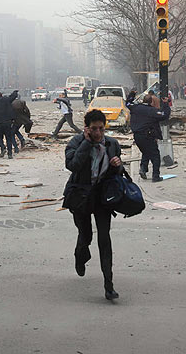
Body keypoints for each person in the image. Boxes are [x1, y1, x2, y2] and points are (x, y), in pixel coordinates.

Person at [63, 109, 123, 300]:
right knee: (86, 235)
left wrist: (118, 165)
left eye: (101, 129)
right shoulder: (76, 142)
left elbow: (117, 175)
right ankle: (80, 255)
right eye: (94, 129)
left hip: (102, 198)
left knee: (104, 239)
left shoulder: (112, 144)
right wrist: (87, 143)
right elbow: (72, 165)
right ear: (87, 129)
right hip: (80, 196)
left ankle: (109, 286)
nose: (98, 133)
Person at [126, 90, 170, 182]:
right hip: (148, 136)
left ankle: (143, 169)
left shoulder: (135, 108)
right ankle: (156, 176)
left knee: (146, 152)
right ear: (151, 102)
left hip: (137, 137)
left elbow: (128, 103)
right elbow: (164, 115)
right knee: (155, 156)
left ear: (142, 101)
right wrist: (166, 104)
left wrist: (132, 94)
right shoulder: (152, 111)